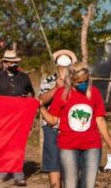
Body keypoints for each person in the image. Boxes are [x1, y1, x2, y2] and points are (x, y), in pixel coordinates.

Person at [39, 62, 111, 188]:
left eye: (86, 81)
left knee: (88, 185)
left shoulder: (94, 93)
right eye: (79, 82)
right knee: (71, 184)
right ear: (71, 80)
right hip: (68, 147)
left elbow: (100, 121)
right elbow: (53, 121)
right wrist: (42, 108)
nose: (83, 84)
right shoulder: (62, 94)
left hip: (92, 146)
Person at [0, 50, 33, 186]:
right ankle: (2, 172)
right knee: (3, 144)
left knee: (17, 145)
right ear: (4, 63)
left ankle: (18, 175)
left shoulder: (24, 77)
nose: (13, 64)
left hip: (21, 116)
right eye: (10, 62)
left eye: (15, 62)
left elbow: (31, 92)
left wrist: (27, 97)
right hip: (2, 117)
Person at [38, 50, 78, 188]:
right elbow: (41, 100)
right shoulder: (48, 81)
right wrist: (56, 88)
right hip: (51, 126)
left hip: (72, 127)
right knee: (53, 162)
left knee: (70, 163)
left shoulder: (77, 81)